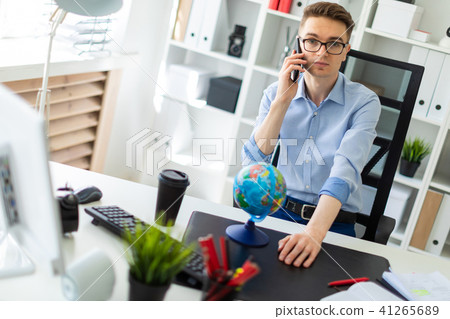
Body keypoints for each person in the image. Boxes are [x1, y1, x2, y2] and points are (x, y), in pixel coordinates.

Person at [242, 2, 381, 268]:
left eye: (334, 44)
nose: (322, 52)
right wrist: (282, 102)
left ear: (346, 52)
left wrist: (315, 232)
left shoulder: (365, 102)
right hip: (277, 213)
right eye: (313, 41)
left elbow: (345, 170)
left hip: (333, 225)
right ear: (299, 45)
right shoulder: (275, 92)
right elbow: (252, 163)